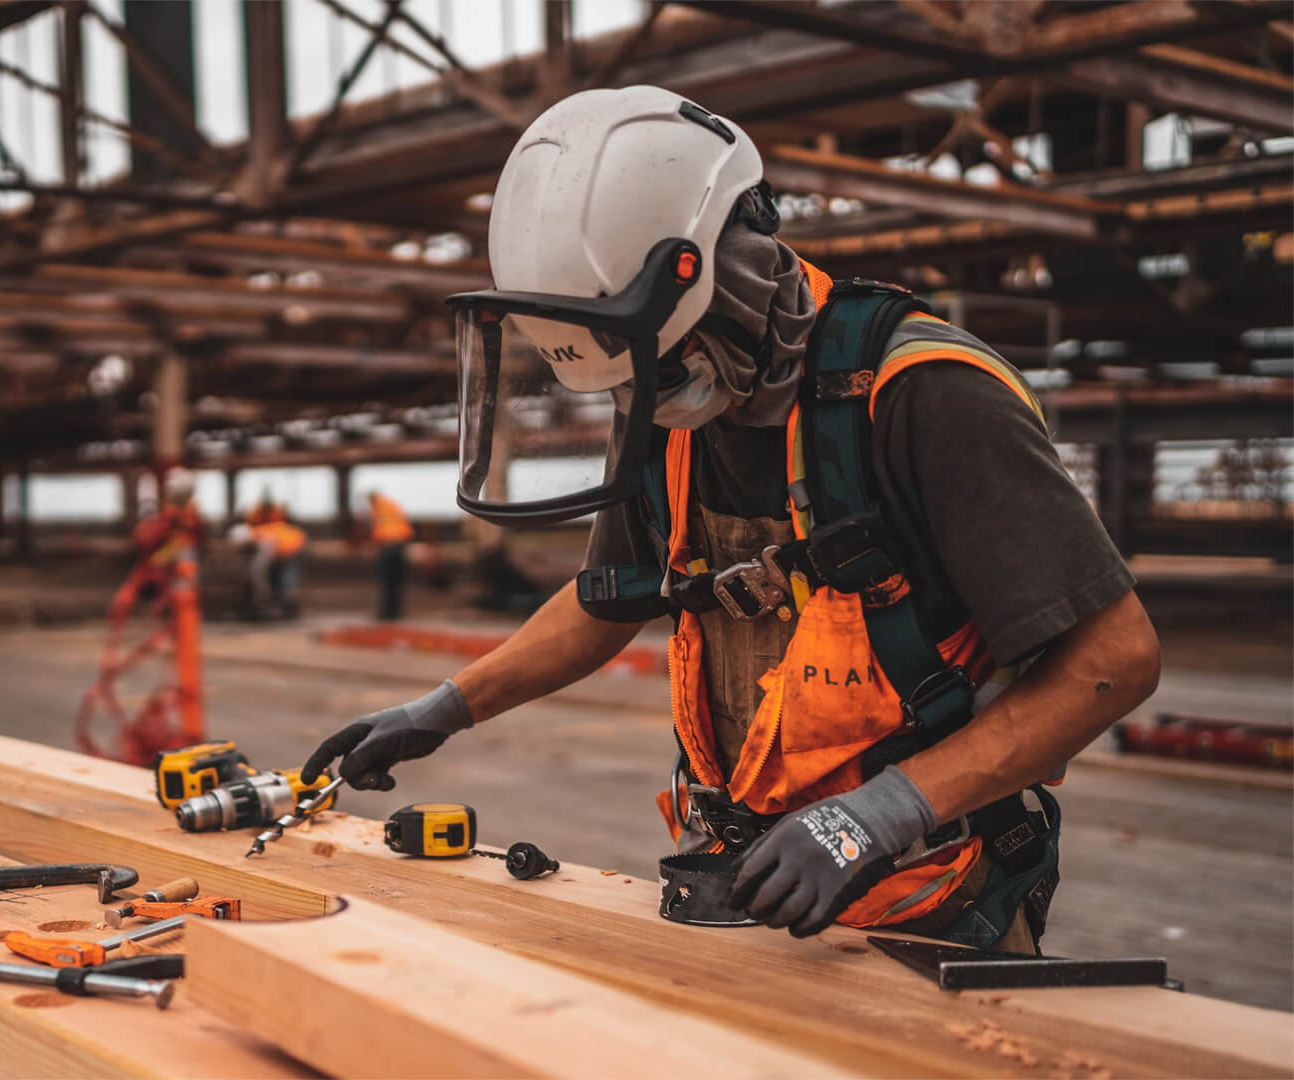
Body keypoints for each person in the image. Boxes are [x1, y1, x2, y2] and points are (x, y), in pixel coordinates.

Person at [301, 86, 1159, 951]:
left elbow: (1114, 660)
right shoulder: (662, 407)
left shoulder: (922, 394)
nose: (652, 397)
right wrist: (443, 708)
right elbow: (611, 600)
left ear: (728, 272)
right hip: (737, 883)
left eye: (666, 366)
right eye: (635, 379)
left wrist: (882, 813)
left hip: (929, 896)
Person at [364, 490, 414, 621]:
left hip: (388, 545)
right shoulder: (392, 504)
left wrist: (377, 545)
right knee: (396, 580)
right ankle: (394, 612)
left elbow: (380, 528)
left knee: (387, 580)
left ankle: (387, 613)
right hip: (400, 543)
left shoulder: (378, 508)